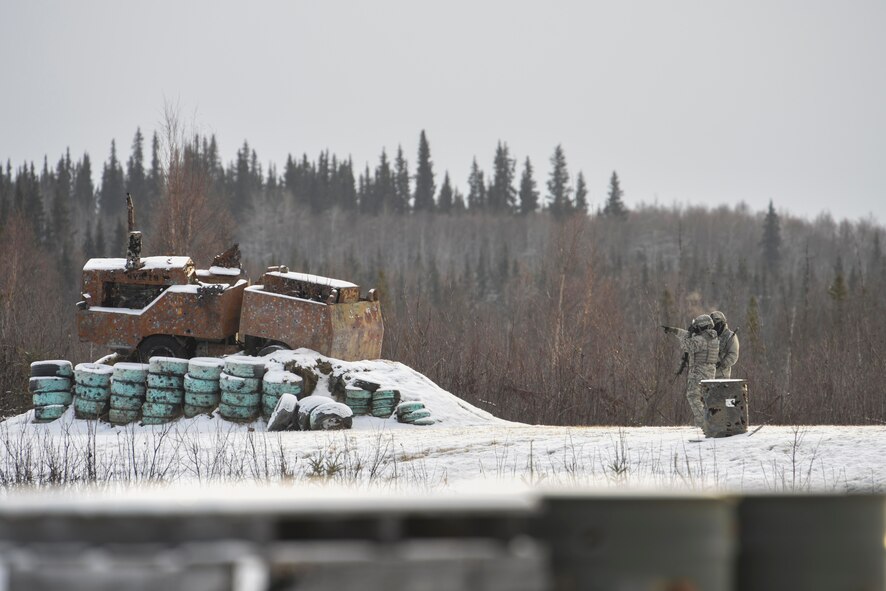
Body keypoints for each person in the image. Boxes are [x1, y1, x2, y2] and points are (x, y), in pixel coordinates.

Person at [663, 314, 720, 428]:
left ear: (702, 326)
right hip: (709, 371)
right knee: (705, 398)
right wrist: (674, 331)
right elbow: (689, 336)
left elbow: (686, 346)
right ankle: (710, 422)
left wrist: (686, 336)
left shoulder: (700, 339)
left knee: (693, 396)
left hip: (699, 371)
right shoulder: (712, 337)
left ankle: (703, 423)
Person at [710, 310, 739, 378]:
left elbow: (733, 354)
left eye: (717, 324)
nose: (715, 327)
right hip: (707, 374)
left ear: (722, 323)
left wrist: (723, 363)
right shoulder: (709, 335)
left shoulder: (730, 336)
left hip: (722, 375)